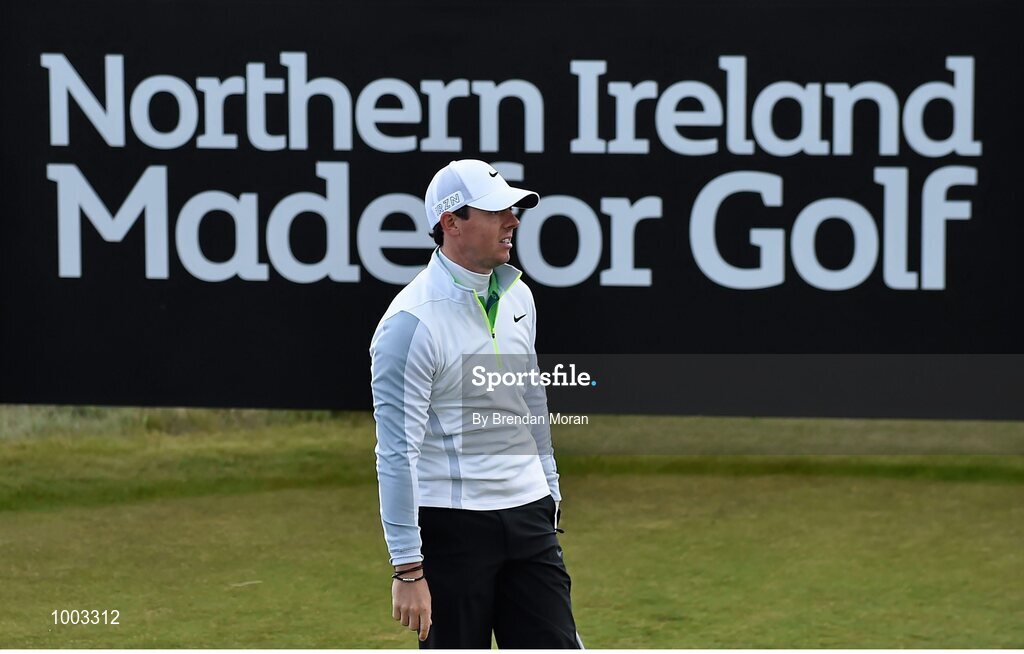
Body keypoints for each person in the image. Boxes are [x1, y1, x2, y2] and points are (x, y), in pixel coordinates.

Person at [369, 159, 582, 649]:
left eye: (513, 210)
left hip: (530, 515)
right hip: (453, 529)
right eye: (496, 211)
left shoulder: (519, 296)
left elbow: (531, 398)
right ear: (451, 223)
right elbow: (397, 452)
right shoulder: (409, 325)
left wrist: (549, 489)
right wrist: (407, 568)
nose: (513, 221)